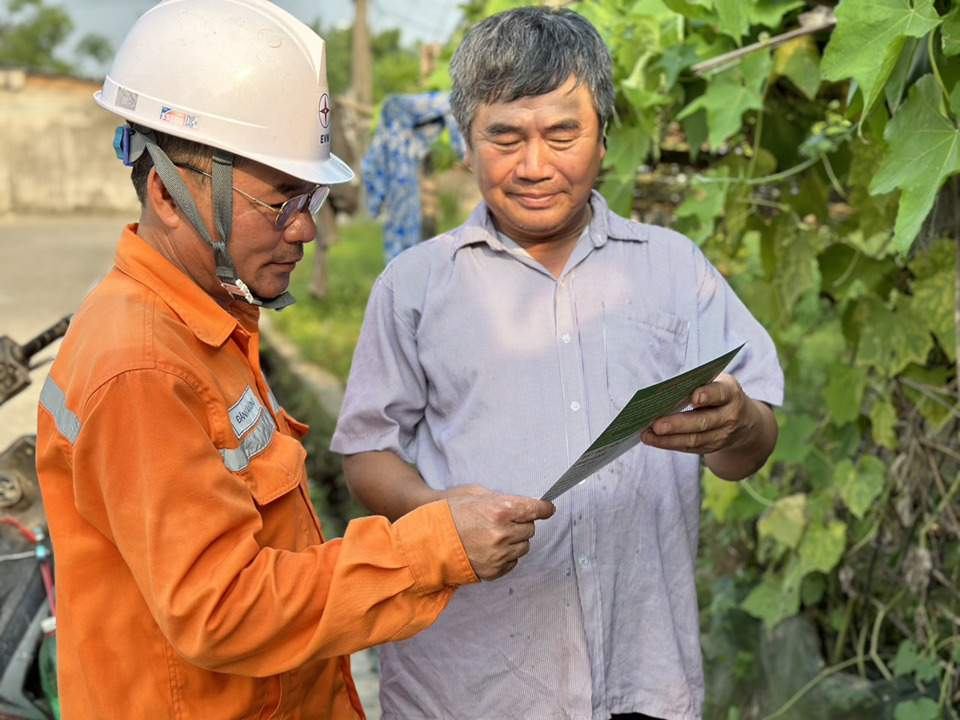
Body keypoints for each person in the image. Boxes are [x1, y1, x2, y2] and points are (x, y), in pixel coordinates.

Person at [34, 1, 554, 718]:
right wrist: (430, 547)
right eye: (279, 201)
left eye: (308, 197)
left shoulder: (206, 328)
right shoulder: (146, 369)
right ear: (168, 191)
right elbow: (224, 610)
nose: (305, 227)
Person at [331, 6, 783, 720]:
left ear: (603, 133)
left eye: (562, 134)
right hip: (473, 683)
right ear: (467, 144)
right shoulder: (416, 285)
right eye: (504, 138)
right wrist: (437, 516)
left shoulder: (673, 268)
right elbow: (365, 453)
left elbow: (749, 449)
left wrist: (739, 423)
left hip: (642, 671)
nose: (534, 166)